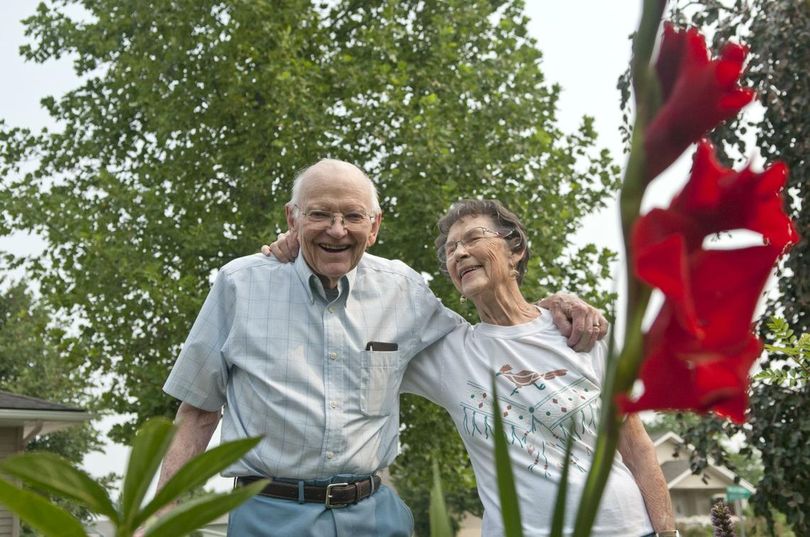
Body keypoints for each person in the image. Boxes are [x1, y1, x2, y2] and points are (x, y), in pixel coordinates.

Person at [157, 159, 607, 537]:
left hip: (374, 515)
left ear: (374, 227)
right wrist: (156, 518)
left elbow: (487, 338)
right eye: (319, 215)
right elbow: (197, 412)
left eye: (352, 217)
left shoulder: (403, 290)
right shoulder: (241, 284)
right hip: (269, 513)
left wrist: (552, 308)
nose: (337, 230)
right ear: (292, 219)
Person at [400, 199, 676, 536]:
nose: (459, 253)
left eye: (473, 239)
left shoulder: (583, 332)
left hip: (627, 527)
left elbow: (635, 446)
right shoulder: (448, 353)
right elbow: (362, 354)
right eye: (451, 248)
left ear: (515, 250)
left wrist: (668, 532)